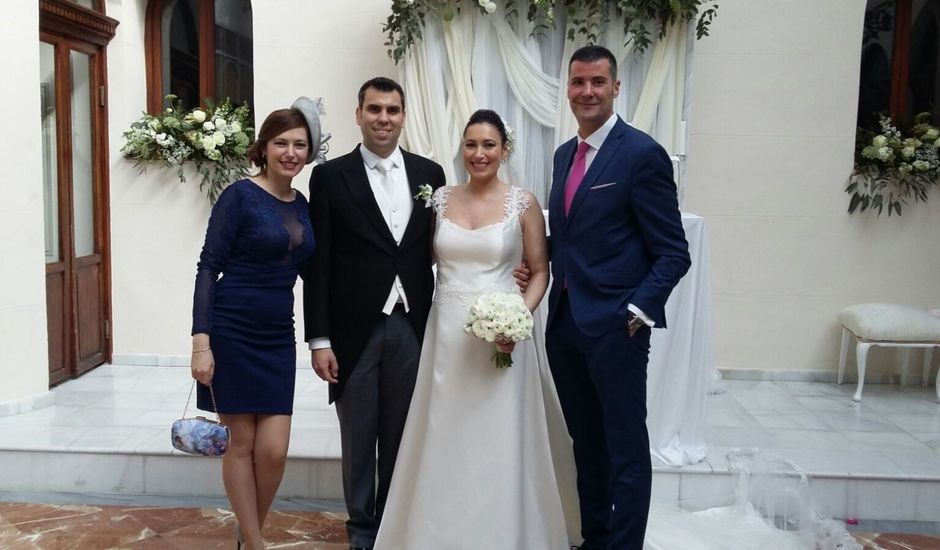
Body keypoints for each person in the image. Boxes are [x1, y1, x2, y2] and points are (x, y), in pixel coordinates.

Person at [374, 109, 578, 549]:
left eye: (489, 145)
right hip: (446, 333)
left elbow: (540, 271)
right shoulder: (440, 200)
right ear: (462, 149)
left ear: (504, 150)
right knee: (444, 431)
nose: (479, 153)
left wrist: (518, 318)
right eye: (471, 144)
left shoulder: (523, 204)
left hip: (501, 337)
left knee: (497, 435)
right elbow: (416, 258)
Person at [545, 45, 692, 550]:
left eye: (598, 82)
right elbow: (570, 238)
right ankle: (595, 539)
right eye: (578, 82)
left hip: (616, 329)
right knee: (586, 445)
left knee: (625, 448)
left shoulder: (640, 153)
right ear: (567, 88)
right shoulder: (566, 154)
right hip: (564, 326)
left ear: (615, 88)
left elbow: (674, 252)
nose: (587, 91)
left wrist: (636, 310)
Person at [303, 77, 446, 550]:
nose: (384, 118)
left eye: (392, 110)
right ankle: (362, 531)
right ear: (359, 113)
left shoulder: (431, 174)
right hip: (353, 328)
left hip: (411, 322)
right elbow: (318, 265)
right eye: (375, 109)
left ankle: (395, 525)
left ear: (403, 115)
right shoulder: (329, 176)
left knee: (403, 432)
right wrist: (319, 339)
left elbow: (443, 246)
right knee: (359, 437)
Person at [191, 99, 325, 550]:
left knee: (274, 451)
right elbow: (208, 266)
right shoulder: (239, 196)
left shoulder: (302, 204)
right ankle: (254, 541)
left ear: (310, 152)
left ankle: (248, 536)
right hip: (231, 330)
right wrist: (201, 343)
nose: (290, 152)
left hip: (276, 337)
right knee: (241, 445)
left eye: (300, 144)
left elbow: (316, 269)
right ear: (264, 147)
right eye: (281, 142)